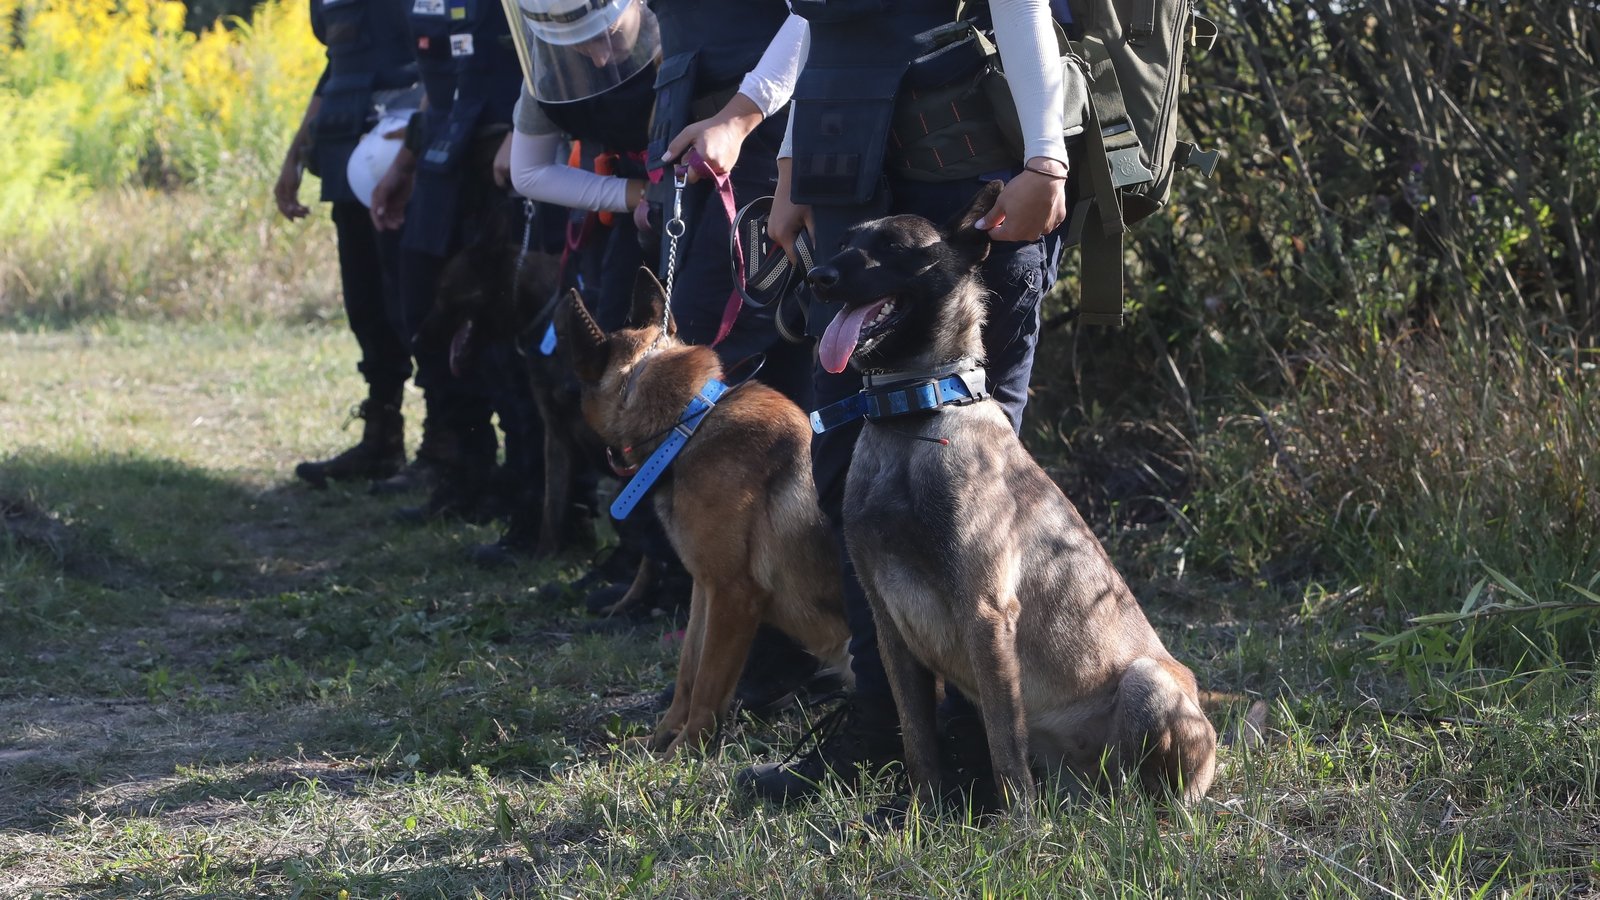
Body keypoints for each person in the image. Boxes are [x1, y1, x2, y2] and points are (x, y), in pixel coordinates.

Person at [735, 0, 1072, 803]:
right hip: (852, 186)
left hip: (972, 191)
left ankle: (980, 750)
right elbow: (826, 22)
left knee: (971, 489)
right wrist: (792, 170)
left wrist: (1048, 158)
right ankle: (881, 732)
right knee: (852, 477)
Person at [367, 0, 539, 537]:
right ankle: (461, 473)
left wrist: (529, 126)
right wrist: (406, 160)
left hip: (504, 159)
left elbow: (565, 54)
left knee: (502, 338)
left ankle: (528, 497)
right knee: (428, 322)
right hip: (442, 160)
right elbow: (438, 82)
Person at [278, 0, 418, 489]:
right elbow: (335, 68)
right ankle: (381, 439)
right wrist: (295, 155)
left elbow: (449, 66)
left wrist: (415, 151)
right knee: (367, 306)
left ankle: (456, 451)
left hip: (409, 160)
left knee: (418, 309)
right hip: (344, 152)